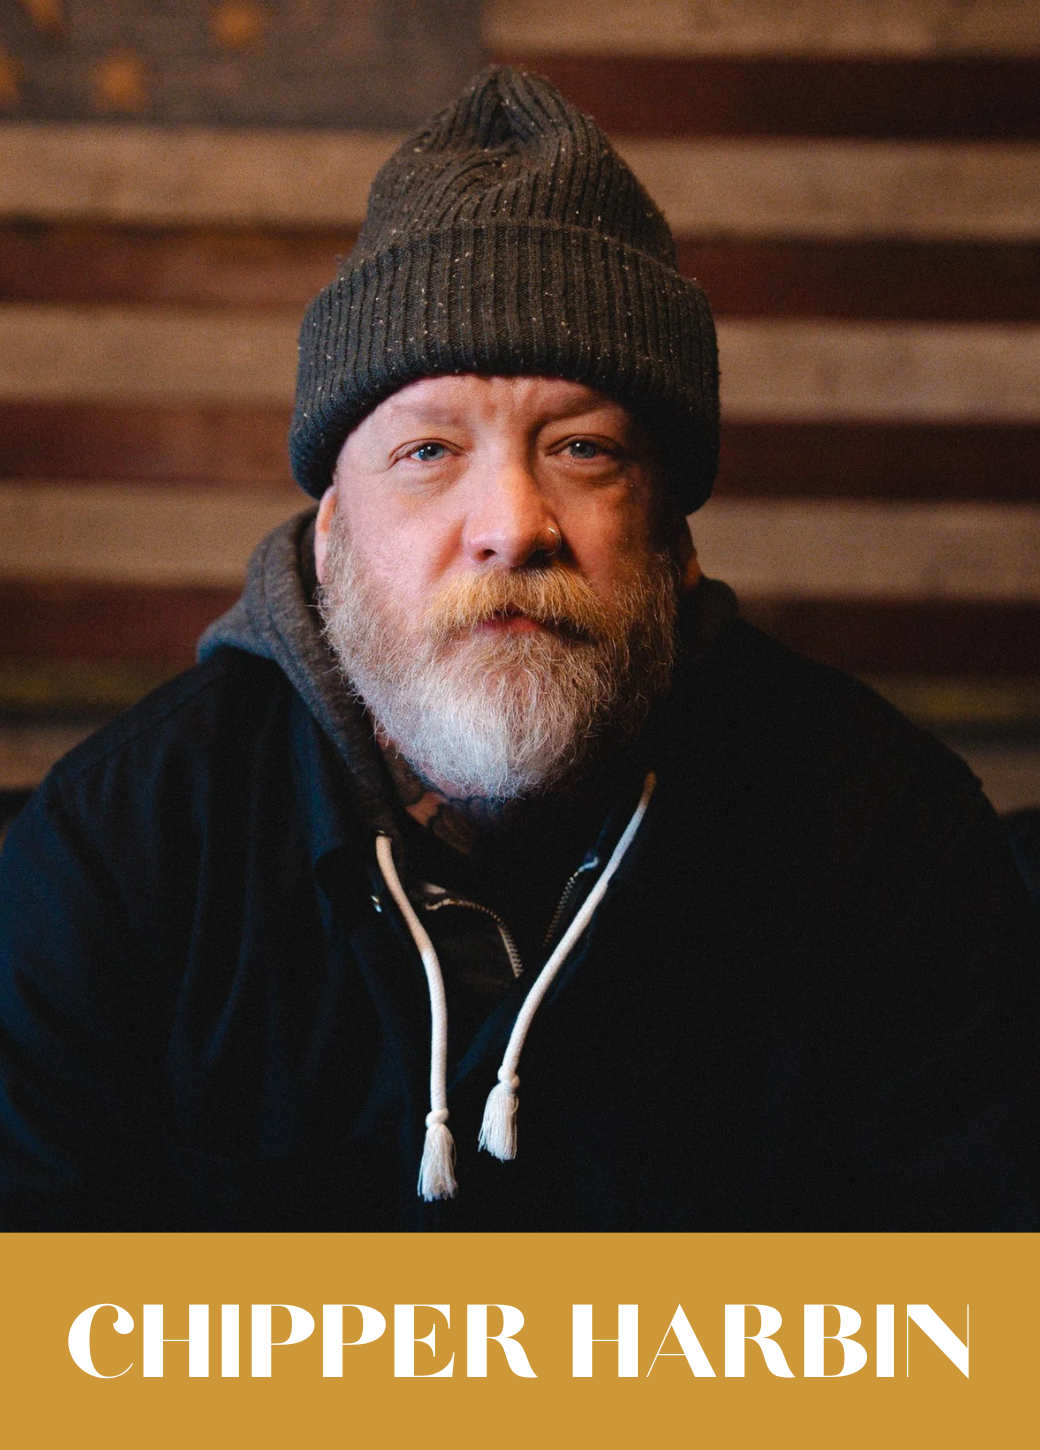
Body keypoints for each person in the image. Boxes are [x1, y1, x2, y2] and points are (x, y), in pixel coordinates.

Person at [0, 67, 1035, 1232]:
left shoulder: (887, 836)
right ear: (331, 538)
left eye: (583, 449)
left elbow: (968, 1317)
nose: (511, 524)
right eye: (429, 452)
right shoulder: (117, 850)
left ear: (673, 541)